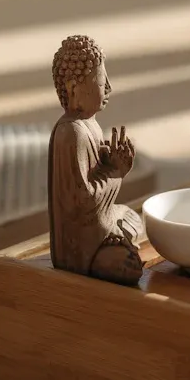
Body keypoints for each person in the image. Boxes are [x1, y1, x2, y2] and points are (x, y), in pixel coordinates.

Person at [47, 35, 144, 285]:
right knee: (129, 268)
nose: (109, 87)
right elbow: (82, 202)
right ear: (73, 89)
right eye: (102, 81)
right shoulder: (71, 133)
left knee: (133, 217)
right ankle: (108, 256)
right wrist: (116, 173)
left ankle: (117, 246)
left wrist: (112, 164)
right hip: (81, 244)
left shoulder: (90, 125)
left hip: (102, 224)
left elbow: (97, 180)